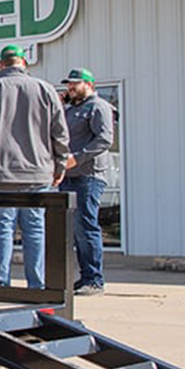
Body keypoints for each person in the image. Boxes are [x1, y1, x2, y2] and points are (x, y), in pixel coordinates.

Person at [0, 45, 70, 288]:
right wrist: (60, 166)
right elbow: (60, 134)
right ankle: (37, 285)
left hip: (0, 174)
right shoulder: (46, 90)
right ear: (24, 63)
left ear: (1, 65)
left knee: (1, 230)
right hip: (39, 174)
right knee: (35, 230)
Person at [59, 68, 116, 295]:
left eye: (76, 84)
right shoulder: (69, 109)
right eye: (69, 85)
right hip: (68, 176)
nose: (71, 88)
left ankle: (94, 279)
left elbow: (104, 139)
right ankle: (83, 278)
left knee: (86, 226)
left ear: (90, 85)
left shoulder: (98, 107)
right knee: (74, 230)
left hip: (88, 176)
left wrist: (78, 158)